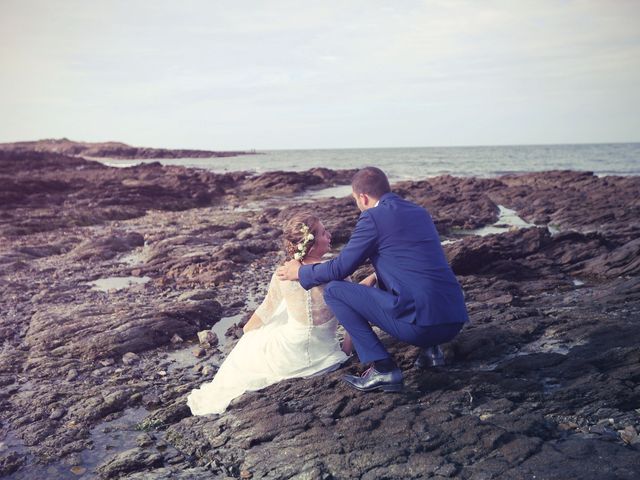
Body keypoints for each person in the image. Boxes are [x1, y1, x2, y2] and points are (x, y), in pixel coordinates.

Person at [276, 166, 469, 393]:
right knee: (414, 280)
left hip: (421, 328)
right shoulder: (419, 212)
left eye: (356, 200)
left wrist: (300, 273)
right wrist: (375, 277)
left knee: (335, 291)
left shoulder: (373, 217)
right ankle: (431, 352)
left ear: (363, 197)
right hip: (454, 319)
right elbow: (415, 262)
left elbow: (340, 268)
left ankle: (383, 368)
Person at [187, 213, 352, 416]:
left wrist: (247, 332)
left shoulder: (282, 274)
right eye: (324, 233)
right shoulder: (336, 272)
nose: (329, 235)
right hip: (325, 355)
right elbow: (354, 317)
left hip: (291, 355)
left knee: (256, 336)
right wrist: (345, 352)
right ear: (310, 242)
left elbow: (265, 312)